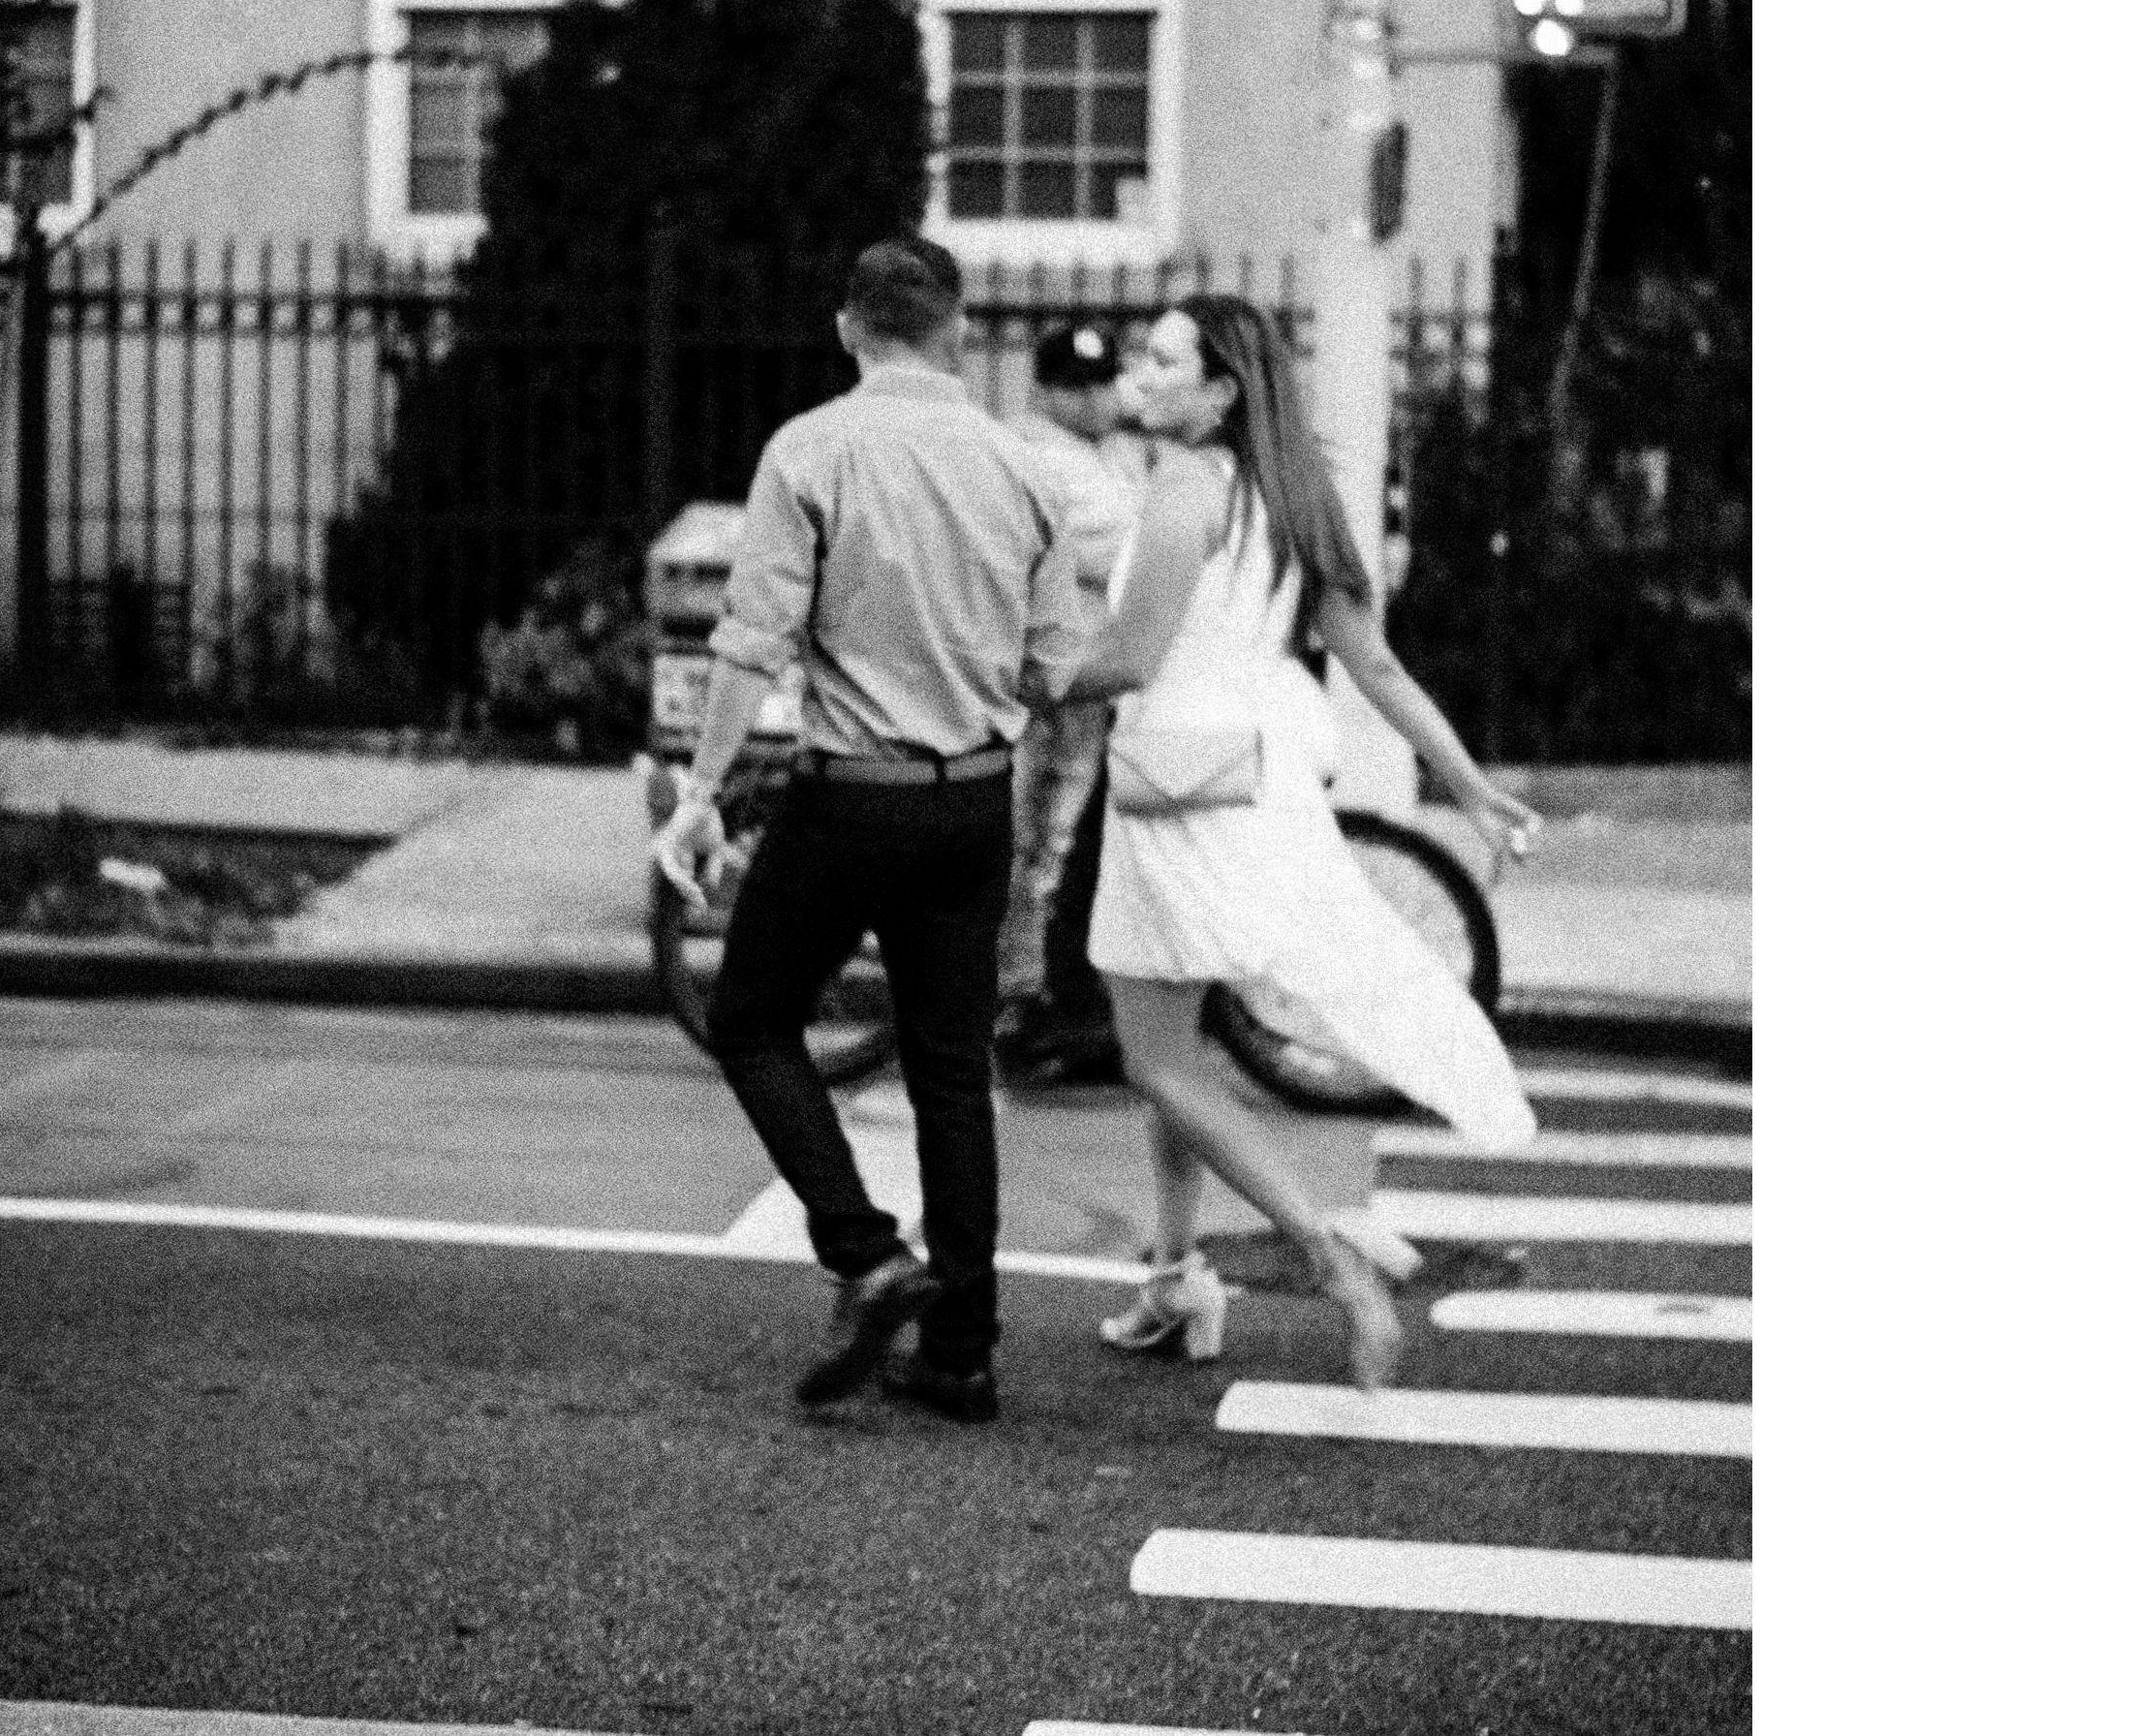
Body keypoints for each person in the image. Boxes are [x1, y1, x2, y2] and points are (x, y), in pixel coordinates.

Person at [1059, 294, 1542, 1390]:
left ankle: (1329, 1258)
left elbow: (1129, 660)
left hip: (1172, 793)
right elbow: (1377, 666)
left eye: (1167, 358)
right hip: (1253, 787)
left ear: (1220, 389)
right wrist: (1471, 788)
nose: (1144, 370)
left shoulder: (1186, 487)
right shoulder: (1292, 495)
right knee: (1175, 1051)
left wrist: (1005, 677)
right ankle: (1174, 1279)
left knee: (1155, 1059)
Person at [653, 238, 1087, 1424]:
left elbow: (751, 643)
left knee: (751, 1019)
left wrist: (700, 793)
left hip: (850, 797)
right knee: (952, 1069)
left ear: (849, 327)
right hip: (975, 800)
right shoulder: (1026, 469)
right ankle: (963, 1352)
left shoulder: (811, 450)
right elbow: (1053, 669)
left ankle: (865, 1251)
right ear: (959, 330)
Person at [998, 323, 1147, 1082]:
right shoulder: (1039, 458)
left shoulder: (1107, 455)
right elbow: (1125, 551)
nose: (1095, 399)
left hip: (1092, 681)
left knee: (1067, 844)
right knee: (1043, 842)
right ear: (1043, 392)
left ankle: (1053, 996)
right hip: (1056, 685)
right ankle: (1026, 996)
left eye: (1102, 383)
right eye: (1076, 387)